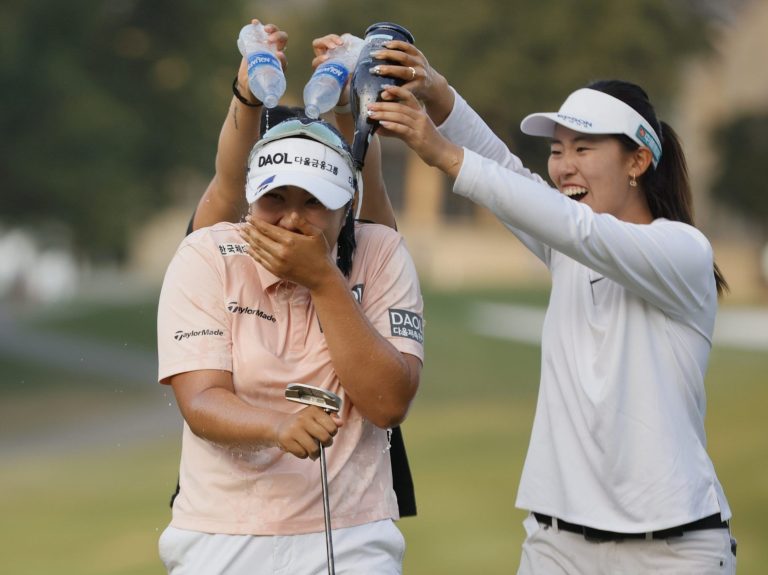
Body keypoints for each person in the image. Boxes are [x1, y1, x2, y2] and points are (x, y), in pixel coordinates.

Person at [364, 42, 736, 574]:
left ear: (638, 160)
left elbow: (575, 227)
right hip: (555, 547)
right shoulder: (567, 244)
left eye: (583, 149)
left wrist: (441, 152)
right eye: (558, 150)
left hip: (671, 551)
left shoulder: (683, 251)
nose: (563, 167)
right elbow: (510, 174)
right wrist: (438, 94)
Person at [156, 31, 424, 575]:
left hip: (351, 531)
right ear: (253, 199)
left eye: (313, 202)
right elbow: (200, 399)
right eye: (275, 198)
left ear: (341, 209)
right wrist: (248, 90)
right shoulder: (211, 249)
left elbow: (389, 402)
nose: (293, 219)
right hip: (221, 530)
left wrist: (325, 282)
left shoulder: (373, 246)